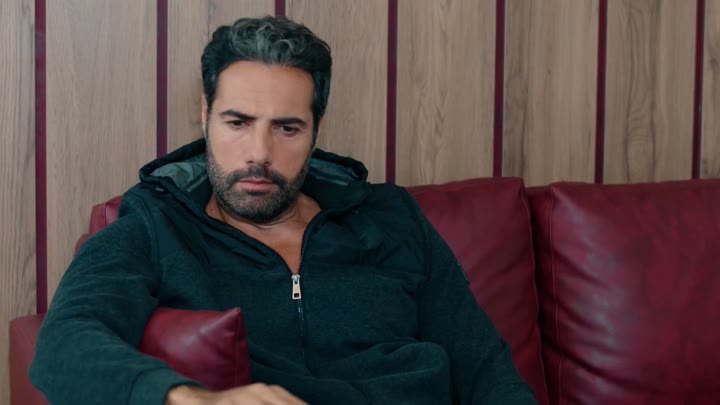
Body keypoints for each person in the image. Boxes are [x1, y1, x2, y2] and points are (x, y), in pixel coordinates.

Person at [30, 16, 537, 405]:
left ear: (316, 130)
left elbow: (484, 369)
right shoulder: (156, 223)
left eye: (287, 128)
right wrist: (190, 398)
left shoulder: (389, 217)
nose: (260, 152)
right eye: (237, 122)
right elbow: (64, 343)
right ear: (205, 116)